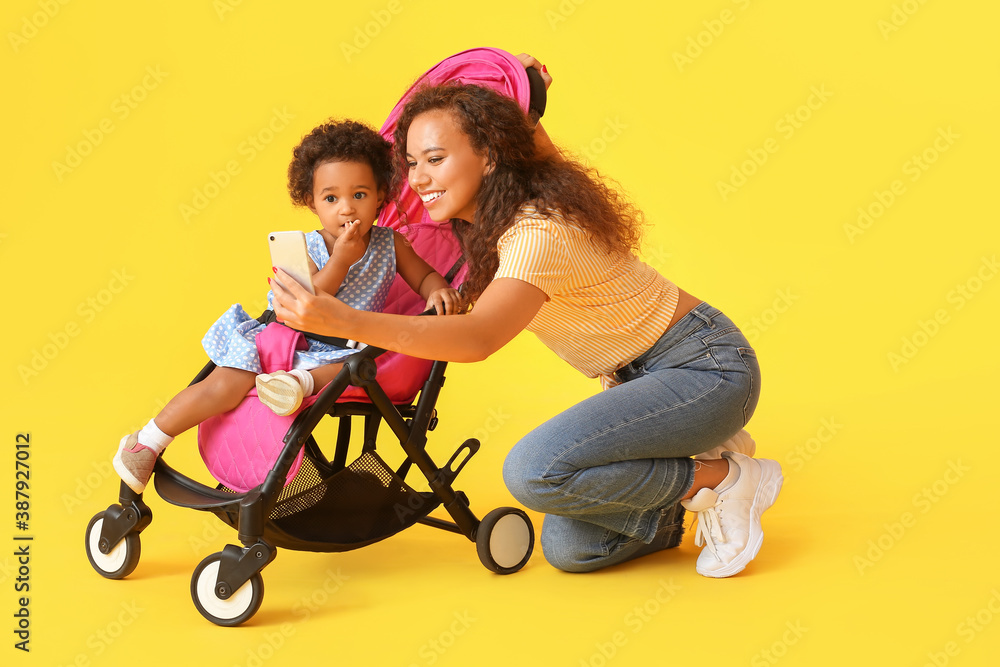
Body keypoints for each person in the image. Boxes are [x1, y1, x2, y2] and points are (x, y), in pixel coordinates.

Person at [269, 62, 783, 578]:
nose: (418, 177)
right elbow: (527, 139)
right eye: (411, 162)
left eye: (436, 159)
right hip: (636, 382)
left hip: (706, 369)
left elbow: (478, 337)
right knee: (572, 547)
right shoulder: (488, 219)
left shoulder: (537, 229)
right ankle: (689, 469)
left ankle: (723, 478)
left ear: (489, 156)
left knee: (532, 472)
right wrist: (527, 96)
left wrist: (344, 321)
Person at [112, 119, 461, 494]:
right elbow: (309, 300)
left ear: (380, 195)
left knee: (357, 367)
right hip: (286, 341)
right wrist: (341, 260)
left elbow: (424, 276)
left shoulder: (391, 243)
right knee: (223, 387)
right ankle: (147, 441)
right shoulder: (301, 248)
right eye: (331, 198)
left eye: (359, 195)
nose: (346, 209)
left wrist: (437, 290)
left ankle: (296, 384)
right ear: (311, 202)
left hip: (341, 351)